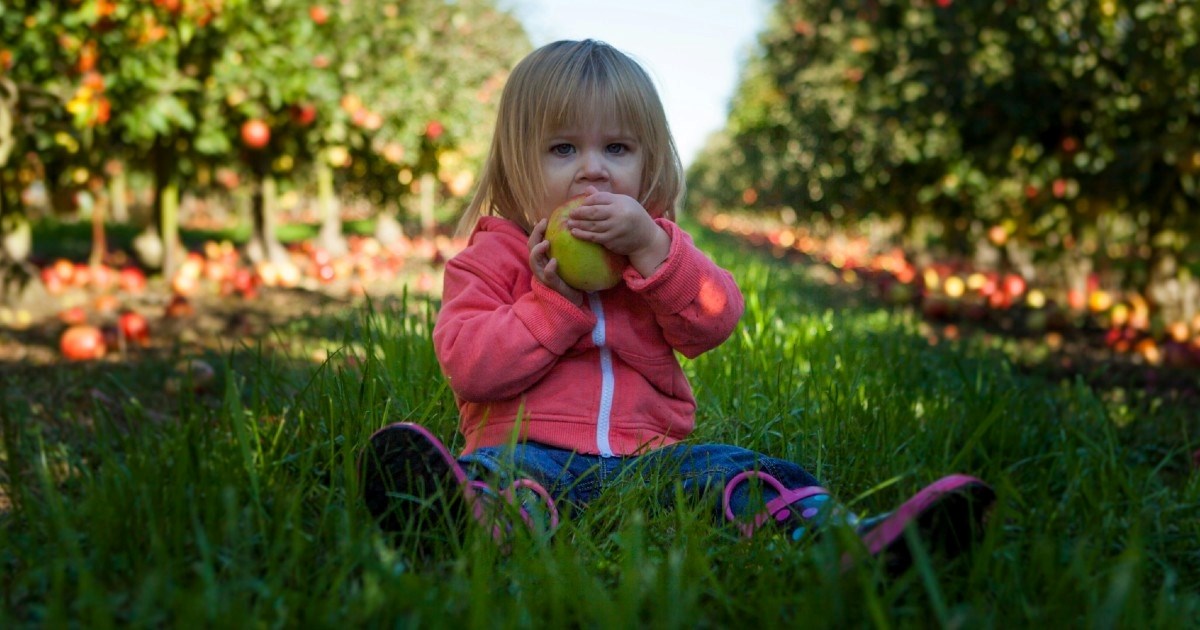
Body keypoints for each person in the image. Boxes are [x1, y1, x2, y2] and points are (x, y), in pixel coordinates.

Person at [359, 39, 995, 573]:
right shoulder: (488, 261)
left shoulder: (657, 250)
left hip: (652, 457)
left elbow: (715, 320)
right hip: (528, 447)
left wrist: (654, 251)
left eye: (617, 149)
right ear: (514, 161)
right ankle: (466, 523)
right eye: (562, 149)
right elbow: (470, 368)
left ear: (648, 160)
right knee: (500, 479)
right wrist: (551, 304)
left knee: (745, 473)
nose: (593, 172)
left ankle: (849, 541)